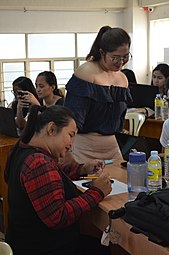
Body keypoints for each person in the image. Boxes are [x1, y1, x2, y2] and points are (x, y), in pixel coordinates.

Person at [4, 104, 112, 255]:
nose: (71, 144)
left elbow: (53, 175)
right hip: (43, 248)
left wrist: (81, 169)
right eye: (70, 135)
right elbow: (58, 216)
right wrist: (97, 192)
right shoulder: (38, 163)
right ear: (52, 129)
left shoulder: (22, 150)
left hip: (27, 243)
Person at [64, 26, 132, 163]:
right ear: (102, 52)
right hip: (83, 148)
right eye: (115, 58)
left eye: (125, 57)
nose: (120, 62)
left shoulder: (122, 79)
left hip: (112, 147)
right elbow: (71, 119)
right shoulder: (87, 73)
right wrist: (66, 153)